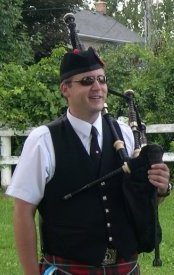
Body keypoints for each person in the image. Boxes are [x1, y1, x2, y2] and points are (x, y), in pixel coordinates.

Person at [6, 47, 170, 275]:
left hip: (124, 266)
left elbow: (139, 200)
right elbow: (23, 211)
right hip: (68, 268)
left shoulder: (124, 132)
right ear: (65, 89)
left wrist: (159, 189)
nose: (98, 87)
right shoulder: (43, 140)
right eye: (87, 81)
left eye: (102, 80)